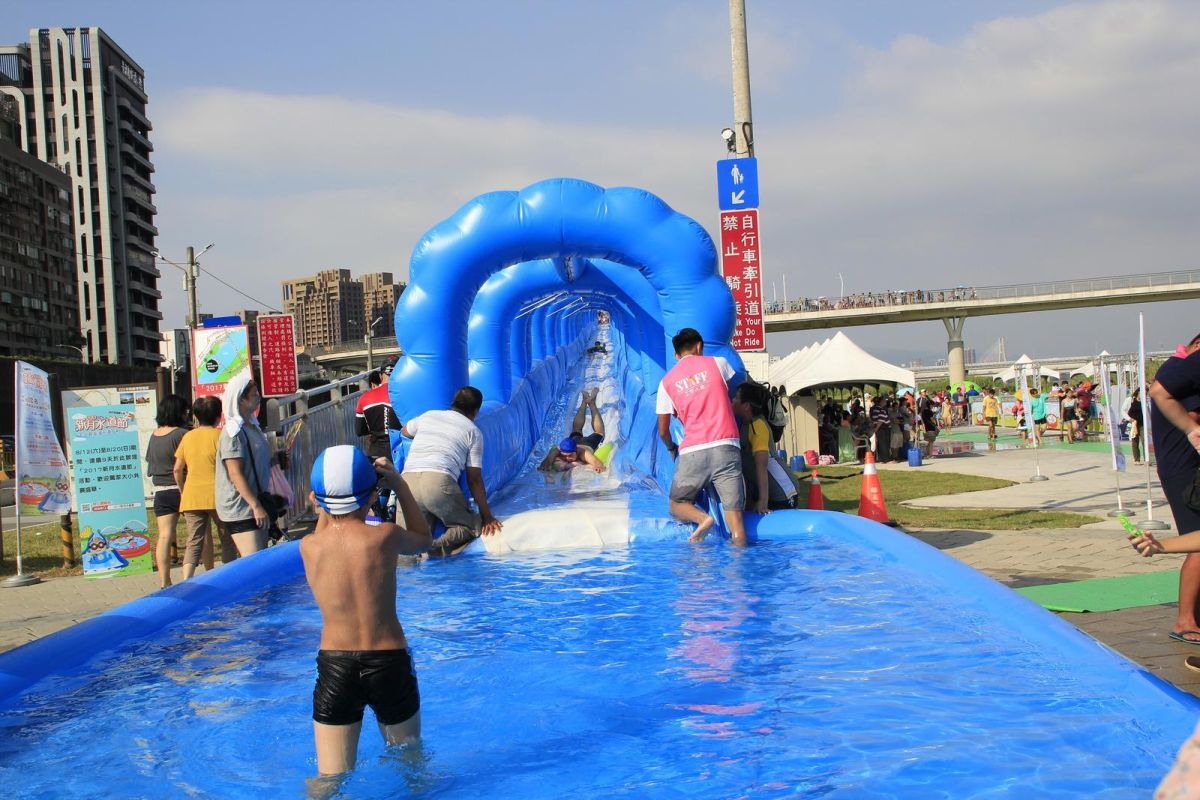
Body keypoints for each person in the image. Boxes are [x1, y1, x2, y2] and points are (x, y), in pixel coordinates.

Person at [301, 445, 432, 777]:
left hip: (335, 666)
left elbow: (327, 528)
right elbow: (423, 539)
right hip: (388, 661)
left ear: (318, 499)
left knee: (329, 779)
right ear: (373, 494)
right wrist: (399, 484)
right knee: (411, 766)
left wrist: (325, 502)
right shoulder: (385, 537)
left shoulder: (309, 547)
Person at [1134, 333, 1200, 644]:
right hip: (1184, 470)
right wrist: (1192, 428)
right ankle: (1186, 619)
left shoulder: (1178, 371)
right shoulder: (1181, 372)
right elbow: (1161, 393)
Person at [655, 328, 747, 545]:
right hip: (726, 445)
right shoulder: (719, 363)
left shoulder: (666, 383)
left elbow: (663, 430)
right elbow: (738, 387)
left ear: (676, 355)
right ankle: (739, 576)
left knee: (677, 504)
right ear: (699, 346)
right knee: (737, 525)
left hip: (693, 451)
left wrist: (671, 448)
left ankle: (703, 519)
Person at [401, 386, 502, 555]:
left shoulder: (429, 415)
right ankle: (433, 548)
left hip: (406, 482)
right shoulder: (473, 432)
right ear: (476, 411)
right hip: (438, 482)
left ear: (453, 403)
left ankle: (408, 563)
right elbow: (474, 478)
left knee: (407, 540)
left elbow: (405, 431)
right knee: (470, 526)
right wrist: (486, 515)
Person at [173, 395, 236, 581]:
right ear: (219, 416)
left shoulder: (188, 437)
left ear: (196, 416)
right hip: (219, 496)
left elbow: (177, 469)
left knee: (194, 541)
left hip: (192, 496)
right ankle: (228, 577)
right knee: (226, 538)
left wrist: (183, 491)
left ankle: (186, 580)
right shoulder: (221, 436)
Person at [215, 375, 274, 557]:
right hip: (241, 507)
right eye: (254, 394)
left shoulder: (252, 426)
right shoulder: (233, 432)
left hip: (255, 502)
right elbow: (235, 473)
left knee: (261, 562)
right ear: (241, 399)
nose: (259, 396)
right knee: (254, 563)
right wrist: (255, 505)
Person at [145, 395, 190, 588]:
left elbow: (150, 463)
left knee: (164, 535)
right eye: (184, 410)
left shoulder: (154, 436)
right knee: (196, 534)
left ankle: (165, 581)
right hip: (184, 488)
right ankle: (191, 577)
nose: (187, 413)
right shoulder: (181, 434)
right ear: (177, 412)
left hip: (161, 491)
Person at [732, 382, 798, 512]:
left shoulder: (757, 426)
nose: (732, 400)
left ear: (746, 406)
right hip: (770, 491)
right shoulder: (746, 425)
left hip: (783, 493)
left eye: (736, 398)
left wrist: (762, 501)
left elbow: (761, 465)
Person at [539, 388, 606, 473]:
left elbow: (599, 464)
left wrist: (598, 467)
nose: (567, 459)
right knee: (576, 429)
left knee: (599, 432)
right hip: (574, 440)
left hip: (588, 442)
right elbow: (547, 462)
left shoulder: (583, 453)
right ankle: (584, 401)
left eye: (570, 455)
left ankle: (592, 404)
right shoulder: (557, 450)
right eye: (564, 456)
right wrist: (545, 465)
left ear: (576, 451)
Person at [355, 371, 403, 462]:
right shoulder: (406, 394)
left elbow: (359, 431)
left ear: (381, 376)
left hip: (376, 451)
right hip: (400, 451)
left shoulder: (364, 398)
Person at [1124, 387, 1144, 464]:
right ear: (1138, 392)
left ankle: (1147, 458)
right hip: (1132, 423)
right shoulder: (1130, 399)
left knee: (1144, 440)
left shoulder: (1145, 400)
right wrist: (1129, 418)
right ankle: (1136, 459)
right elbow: (1123, 410)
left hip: (1142, 424)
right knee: (1134, 441)